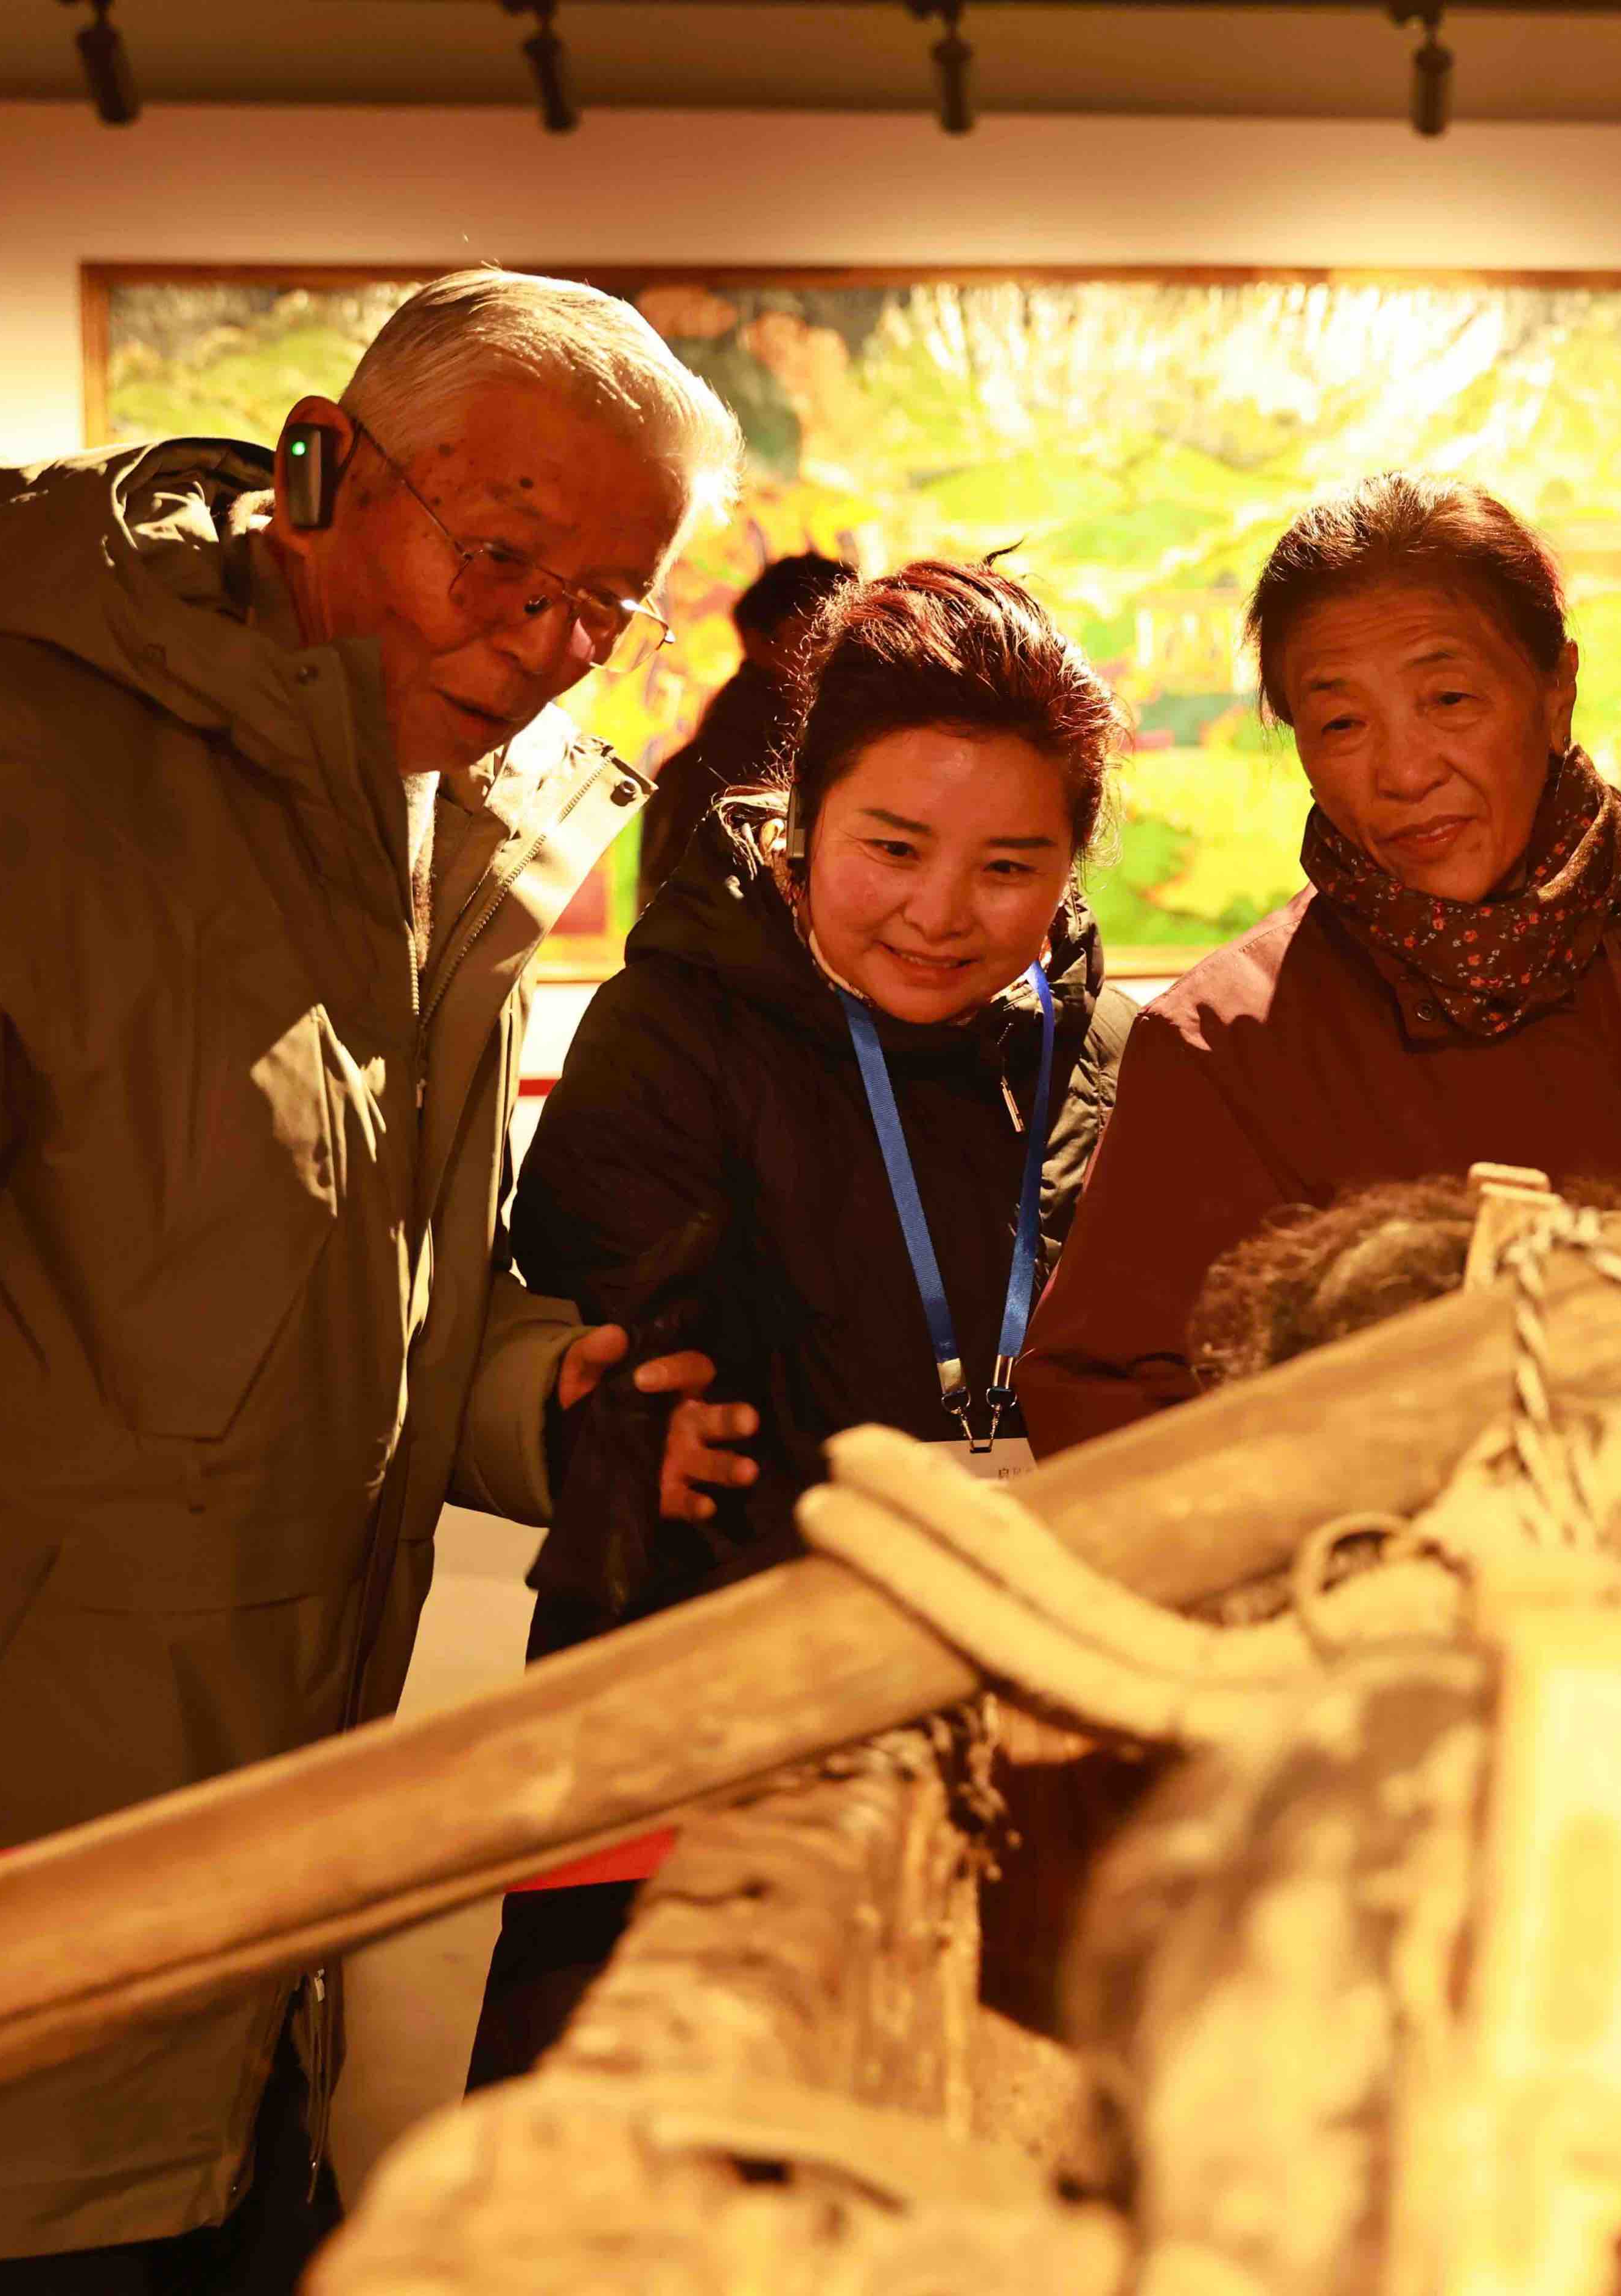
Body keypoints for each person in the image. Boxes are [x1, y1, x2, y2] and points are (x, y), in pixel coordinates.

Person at [0, 267, 752, 2283]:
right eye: (504, 559)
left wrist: (536, 1395)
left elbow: (329, 1289)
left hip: (227, 1988)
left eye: (606, 605)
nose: (545, 643)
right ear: (323, 467)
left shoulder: (410, 831)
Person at [465, 560, 1138, 2084]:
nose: (940, 914)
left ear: (1071, 860)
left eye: (1009, 866)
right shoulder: (673, 1032)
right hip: (715, 1745)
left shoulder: (1112, 1052)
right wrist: (627, 1428)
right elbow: (605, 1368)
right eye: (891, 847)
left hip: (1038, 1744)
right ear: (803, 821)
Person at [1014, 473, 1621, 1449]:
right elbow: (1107, 1403)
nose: (1404, 773)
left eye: (1448, 699)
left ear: (1557, 691)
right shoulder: (1223, 1045)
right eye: (1341, 724)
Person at [635, 549, 857, 902]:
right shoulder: (713, 776)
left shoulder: (847, 750)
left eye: (849, 638)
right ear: (761, 643)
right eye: (816, 637)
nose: (834, 656)